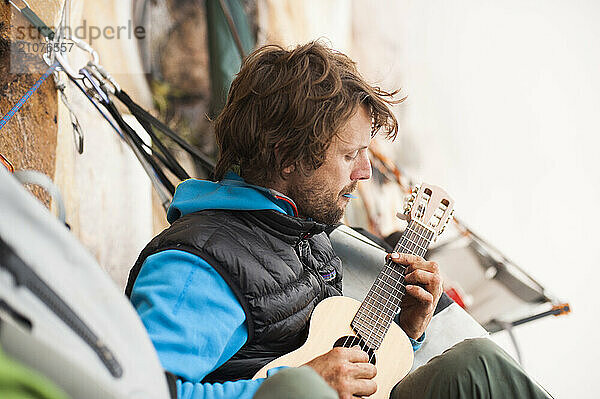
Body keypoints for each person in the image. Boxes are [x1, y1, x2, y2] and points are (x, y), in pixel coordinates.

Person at [126, 42, 551, 399]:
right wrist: (297, 387)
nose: (364, 172)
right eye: (350, 155)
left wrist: (405, 332)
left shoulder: (302, 228)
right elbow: (139, 388)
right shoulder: (198, 265)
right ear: (287, 156)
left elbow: (326, 352)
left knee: (477, 364)